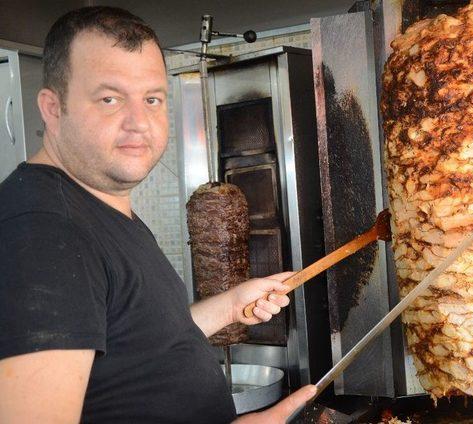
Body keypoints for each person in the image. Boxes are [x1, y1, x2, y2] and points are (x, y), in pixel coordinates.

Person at [0, 6, 315, 423]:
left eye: (152, 99)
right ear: (53, 108)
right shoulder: (45, 232)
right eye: (109, 99)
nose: (139, 123)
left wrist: (228, 306)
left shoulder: (97, 205)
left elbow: (137, 341)